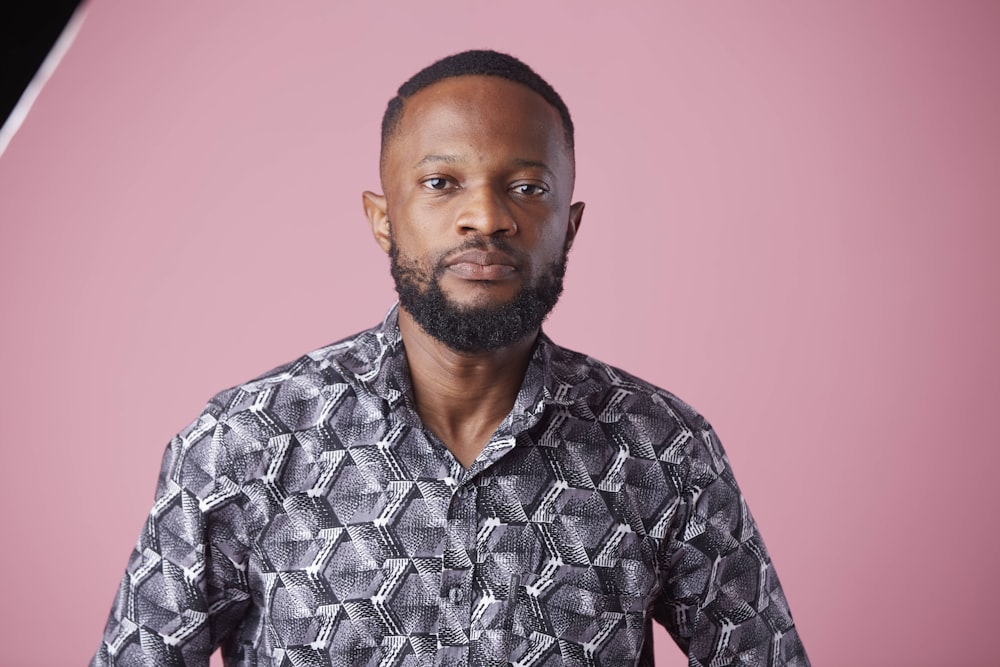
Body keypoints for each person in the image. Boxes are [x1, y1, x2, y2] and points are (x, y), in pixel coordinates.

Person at [92, 50, 809, 667]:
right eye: (442, 183)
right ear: (382, 217)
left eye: (527, 188)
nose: (487, 216)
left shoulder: (662, 449)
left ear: (570, 225)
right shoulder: (245, 443)